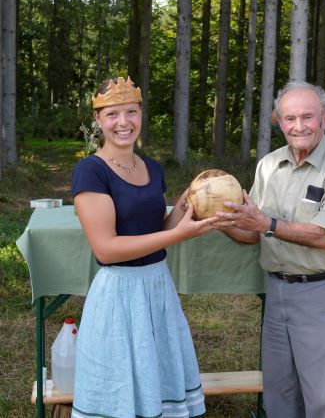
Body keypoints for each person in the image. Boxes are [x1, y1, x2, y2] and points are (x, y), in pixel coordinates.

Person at [70, 77, 216, 418]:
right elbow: (106, 249)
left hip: (157, 286)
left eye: (132, 112)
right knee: (120, 386)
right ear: (98, 120)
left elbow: (157, 232)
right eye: (112, 114)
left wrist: (185, 206)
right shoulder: (90, 171)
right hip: (119, 292)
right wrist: (179, 235)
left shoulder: (151, 167)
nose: (124, 122)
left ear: (141, 115)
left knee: (158, 378)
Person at [217, 80, 325, 418]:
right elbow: (252, 233)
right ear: (278, 121)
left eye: (307, 117)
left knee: (324, 401)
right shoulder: (268, 165)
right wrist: (217, 221)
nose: (299, 126)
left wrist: (265, 223)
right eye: (289, 118)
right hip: (278, 290)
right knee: (279, 395)